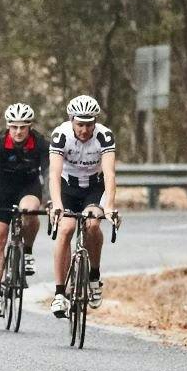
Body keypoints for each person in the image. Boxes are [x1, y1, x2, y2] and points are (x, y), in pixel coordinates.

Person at [47, 94, 116, 318]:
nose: (84, 130)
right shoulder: (61, 135)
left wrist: (111, 206)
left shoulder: (104, 136)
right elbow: (55, 174)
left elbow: (110, 174)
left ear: (95, 122)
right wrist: (57, 204)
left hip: (94, 189)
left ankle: (94, 277)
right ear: (71, 120)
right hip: (68, 187)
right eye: (80, 124)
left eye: (89, 124)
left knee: (93, 225)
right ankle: (59, 293)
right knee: (66, 228)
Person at [0, 102, 47, 317]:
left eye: (23, 127)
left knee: (30, 211)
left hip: (29, 187)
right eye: (14, 127)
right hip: (4, 189)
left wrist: (49, 199)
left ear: (30, 127)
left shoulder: (40, 143)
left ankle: (27, 252)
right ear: (8, 126)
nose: (18, 131)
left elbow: (48, 173)